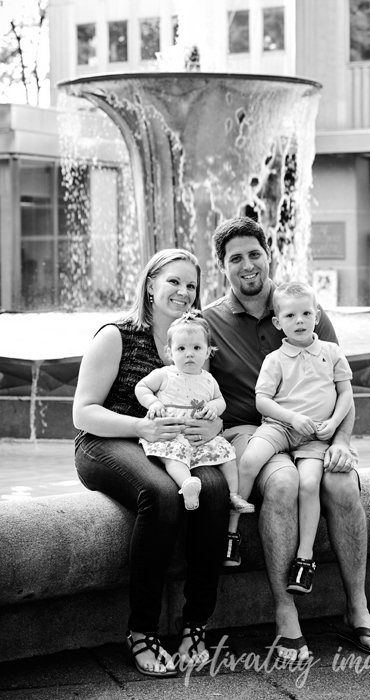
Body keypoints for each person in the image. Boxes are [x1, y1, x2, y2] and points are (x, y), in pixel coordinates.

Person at [203, 216, 370, 661]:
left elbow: (340, 383)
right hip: (254, 431)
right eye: (236, 258)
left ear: (268, 254)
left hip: (314, 432)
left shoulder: (304, 308)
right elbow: (188, 378)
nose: (248, 265)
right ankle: (285, 614)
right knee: (284, 484)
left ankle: (357, 611)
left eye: (255, 254)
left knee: (342, 483)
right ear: (222, 266)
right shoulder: (210, 322)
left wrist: (343, 441)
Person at [73, 249, 230, 678]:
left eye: (192, 285)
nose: (183, 292)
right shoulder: (117, 335)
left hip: (174, 446)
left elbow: (210, 400)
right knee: (161, 494)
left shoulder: (194, 339)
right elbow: (83, 412)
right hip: (107, 441)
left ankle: (195, 625)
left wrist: (212, 425)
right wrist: (140, 428)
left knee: (215, 490)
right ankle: (141, 631)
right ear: (150, 284)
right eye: (174, 281)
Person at [226, 282, 353, 598]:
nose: (300, 321)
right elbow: (262, 401)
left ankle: (305, 559)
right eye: (291, 315)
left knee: (309, 484)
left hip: (314, 437)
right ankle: (230, 535)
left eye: (306, 313)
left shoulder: (332, 353)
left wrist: (335, 426)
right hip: (279, 427)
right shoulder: (275, 359)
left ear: (317, 315)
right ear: (277, 322)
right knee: (250, 459)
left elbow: (346, 393)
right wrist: (291, 418)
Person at [134, 310, 254, 514]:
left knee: (227, 456)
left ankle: (234, 496)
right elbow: (141, 387)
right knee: (174, 459)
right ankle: (187, 484)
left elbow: (220, 401)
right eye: (181, 348)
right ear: (170, 352)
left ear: (208, 352)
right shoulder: (165, 374)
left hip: (200, 438)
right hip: (172, 434)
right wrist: (153, 403)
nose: (189, 353)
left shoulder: (208, 379)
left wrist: (212, 408)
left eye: (197, 348)